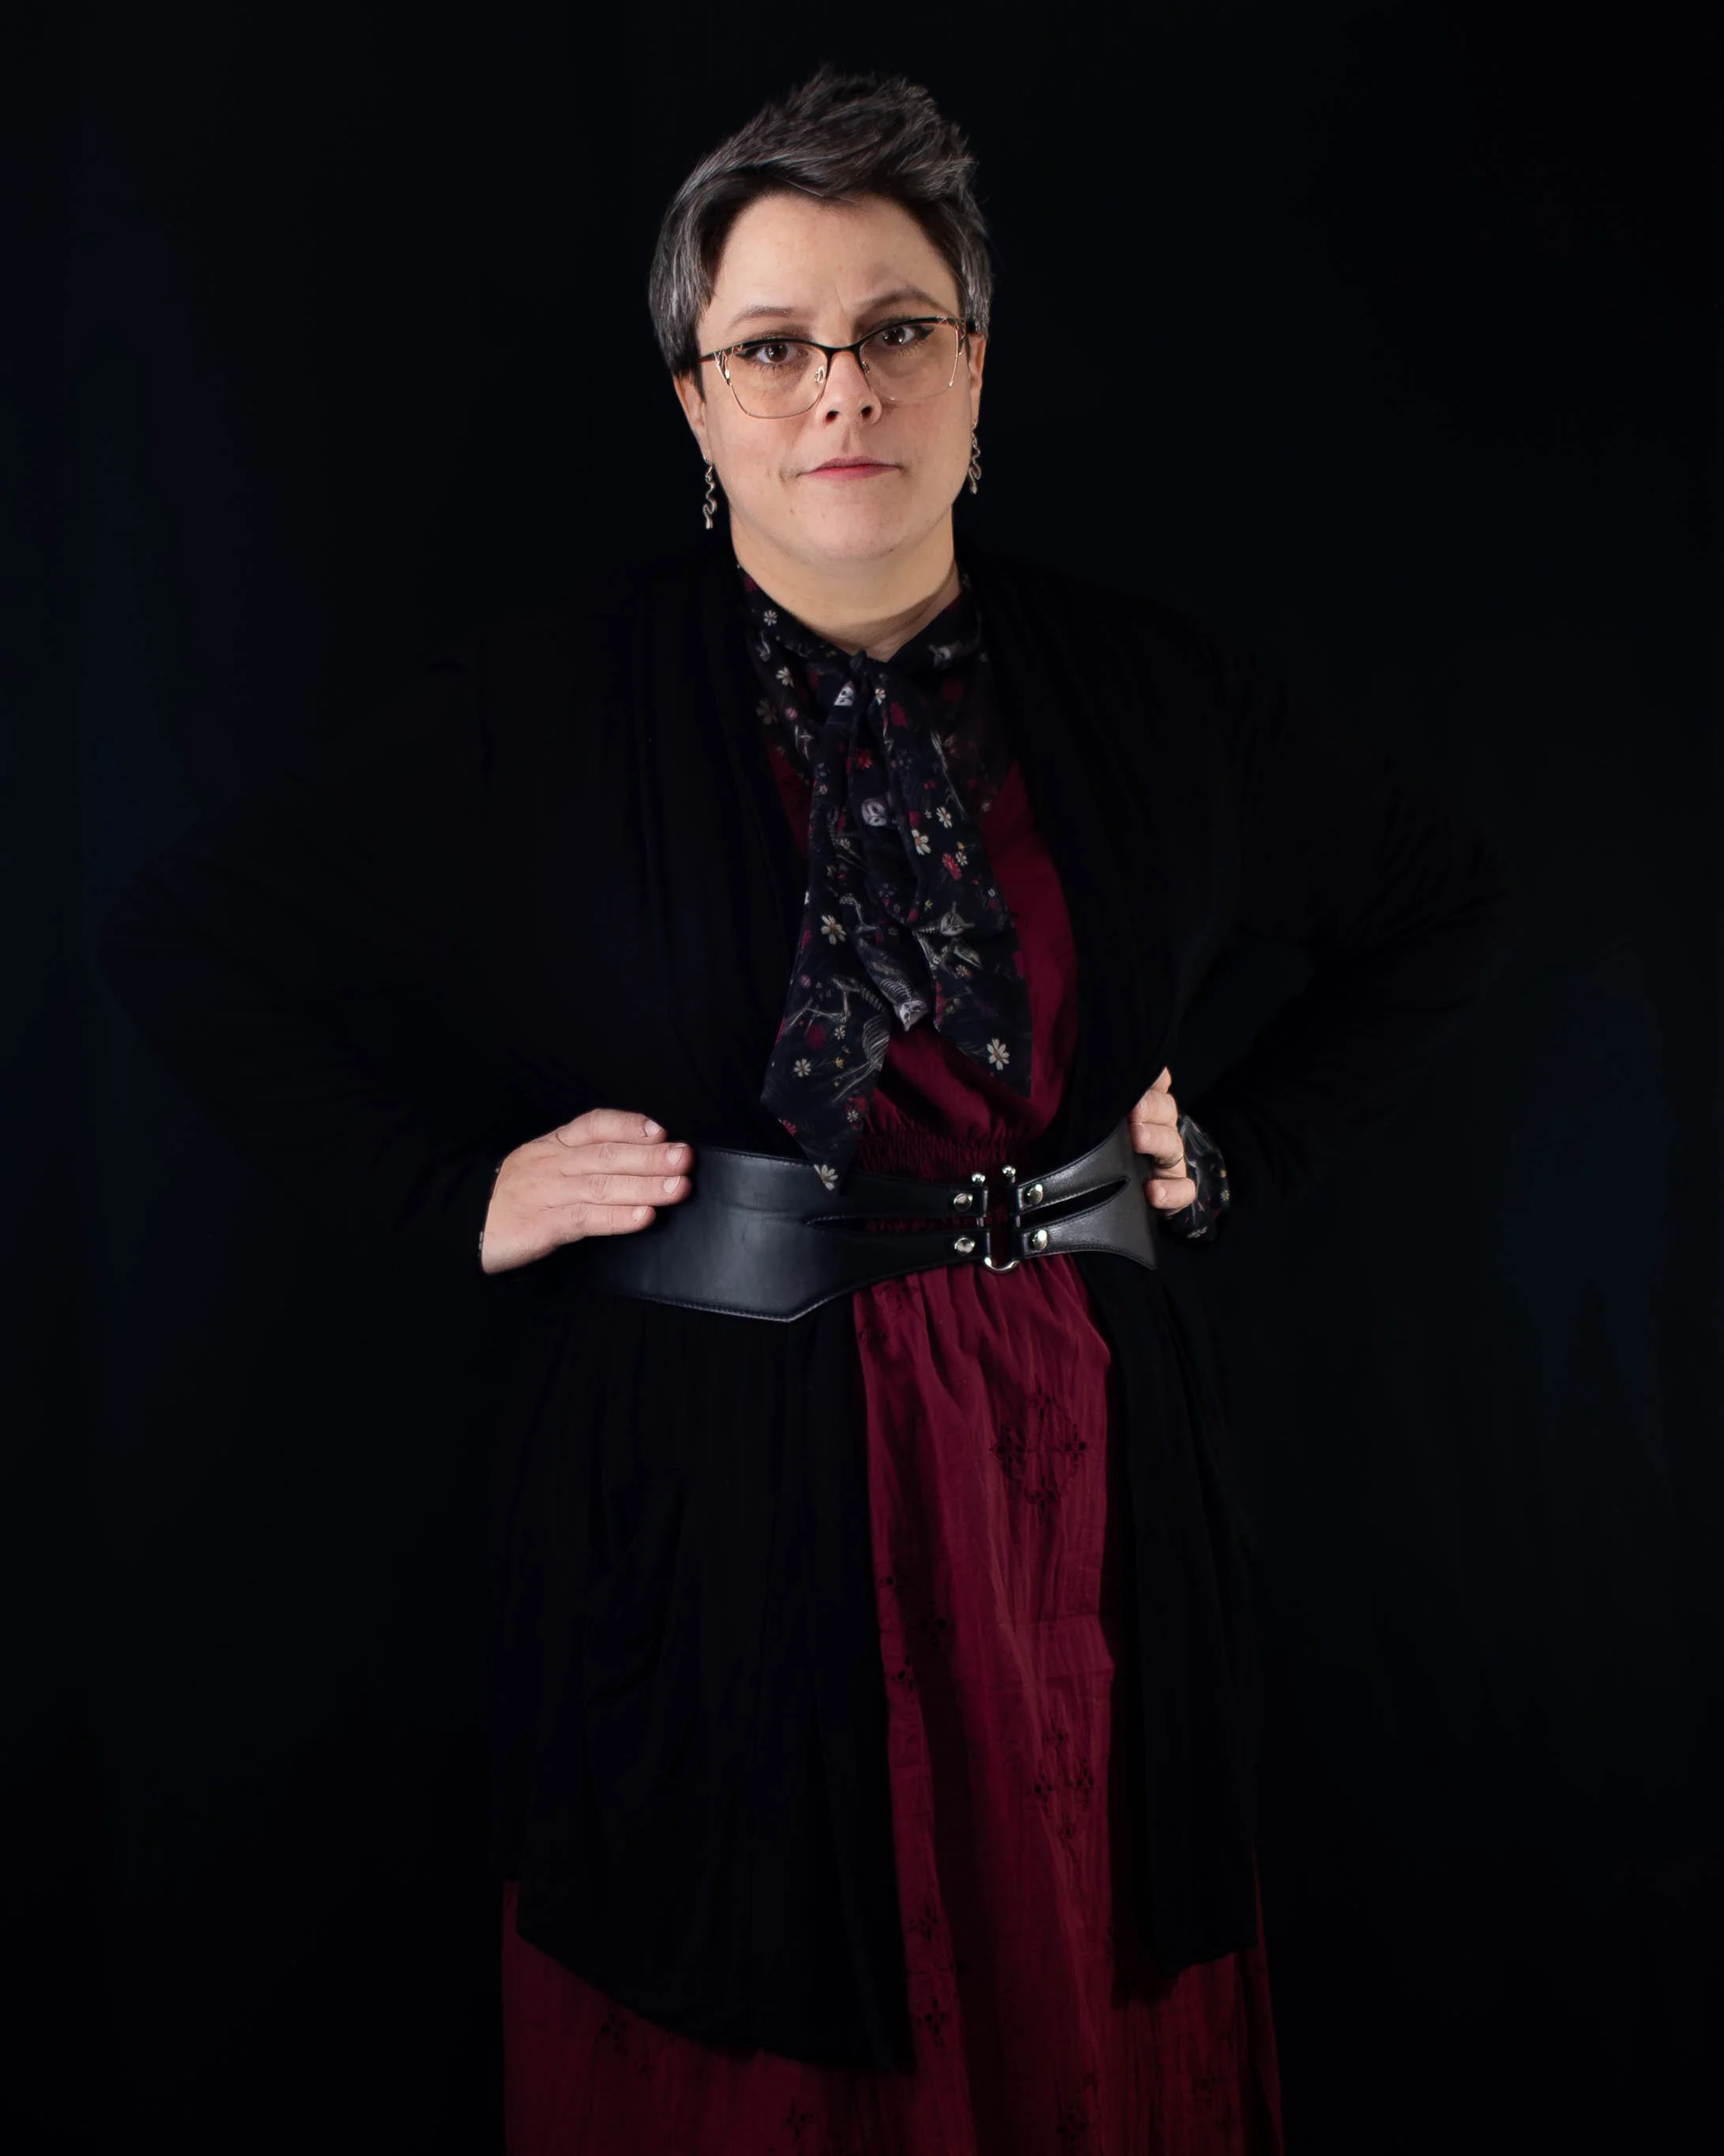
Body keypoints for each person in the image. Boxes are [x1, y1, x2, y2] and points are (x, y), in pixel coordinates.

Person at [97, 61, 1520, 2156]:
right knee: (748, 2017)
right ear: (695, 405)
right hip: (712, 1481)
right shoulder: (539, 719)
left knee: (1082, 1994)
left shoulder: (1152, 700)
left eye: (895, 331)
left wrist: (1239, 1148)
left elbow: (1435, 904)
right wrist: (444, 1191)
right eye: (772, 346)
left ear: (973, 369)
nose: (837, 391)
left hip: (1077, 1464)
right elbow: (192, 942)